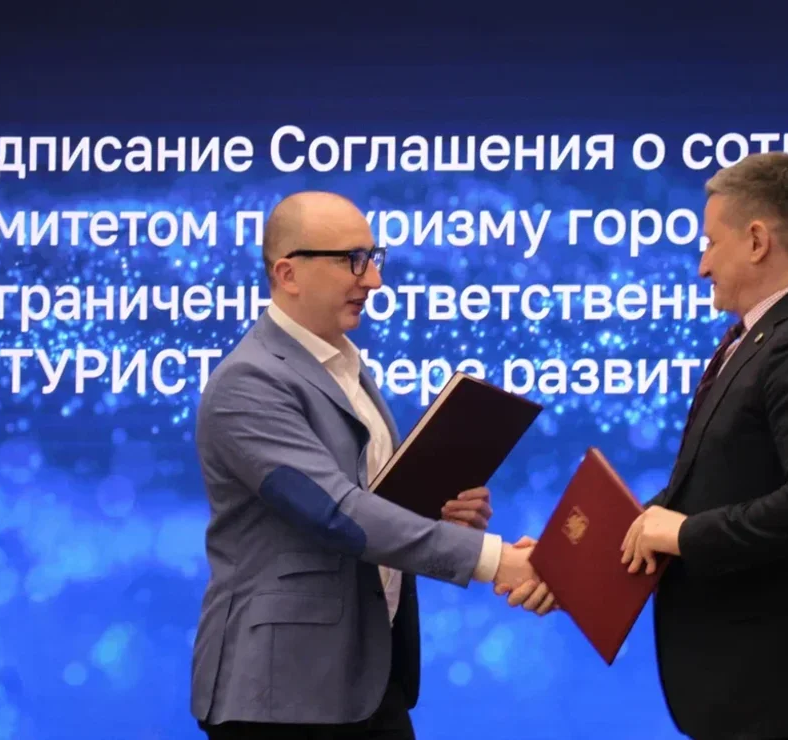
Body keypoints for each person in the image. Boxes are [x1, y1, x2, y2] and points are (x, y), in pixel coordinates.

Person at [190, 191, 556, 740]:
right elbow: (334, 512)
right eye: (352, 261)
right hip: (282, 694)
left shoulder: (345, 368)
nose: (374, 280)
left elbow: (370, 504)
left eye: (374, 258)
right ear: (288, 274)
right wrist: (495, 559)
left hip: (366, 681)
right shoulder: (249, 382)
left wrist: (438, 517)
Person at [619, 152, 788, 740]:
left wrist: (685, 535)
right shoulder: (766, 336)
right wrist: (576, 560)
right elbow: (715, 484)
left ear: (758, 241)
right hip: (752, 701)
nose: (702, 266)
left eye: (711, 243)